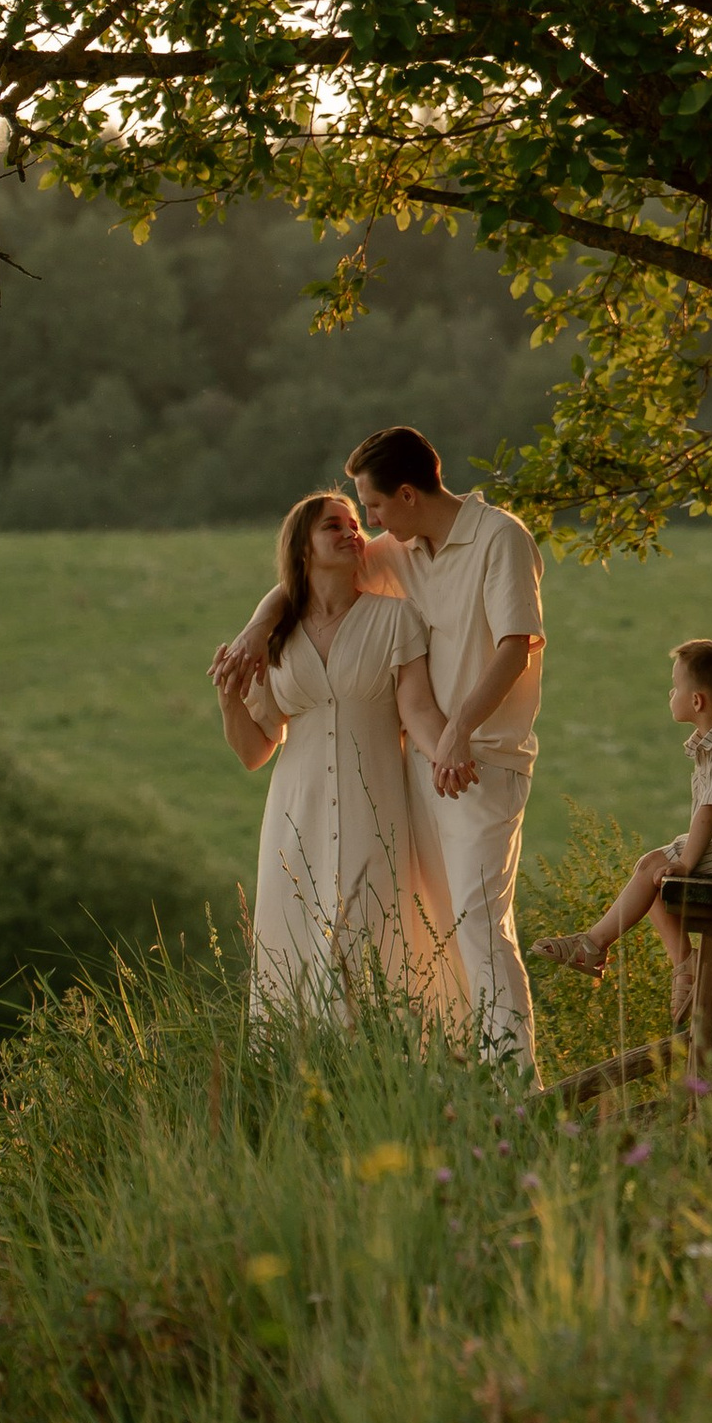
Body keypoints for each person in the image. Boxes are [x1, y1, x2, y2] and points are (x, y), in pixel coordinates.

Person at [213, 425, 546, 1074]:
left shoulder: (499, 539)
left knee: (478, 925)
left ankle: (516, 1088)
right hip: (421, 768)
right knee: (433, 927)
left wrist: (455, 734)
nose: (365, 527)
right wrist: (255, 629)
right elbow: (300, 578)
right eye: (351, 517)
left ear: (406, 495)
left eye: (369, 508)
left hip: (479, 759)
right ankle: (448, 1074)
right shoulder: (402, 549)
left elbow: (516, 647)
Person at [214, 490, 462, 1025]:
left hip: (374, 814)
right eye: (334, 525)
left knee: (377, 951)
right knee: (293, 956)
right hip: (293, 821)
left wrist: (450, 749)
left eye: (355, 524)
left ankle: (384, 1065)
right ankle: (299, 1070)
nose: (352, 532)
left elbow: (417, 709)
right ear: (302, 547)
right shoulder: (275, 639)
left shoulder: (395, 619)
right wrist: (229, 701)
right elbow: (255, 751)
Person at [532, 638, 712, 1049]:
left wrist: (685, 864)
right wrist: (676, 860)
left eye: (675, 687)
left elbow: (710, 812)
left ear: (698, 701)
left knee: (659, 868)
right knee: (652, 868)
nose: (670, 693)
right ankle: (681, 965)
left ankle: (594, 946)